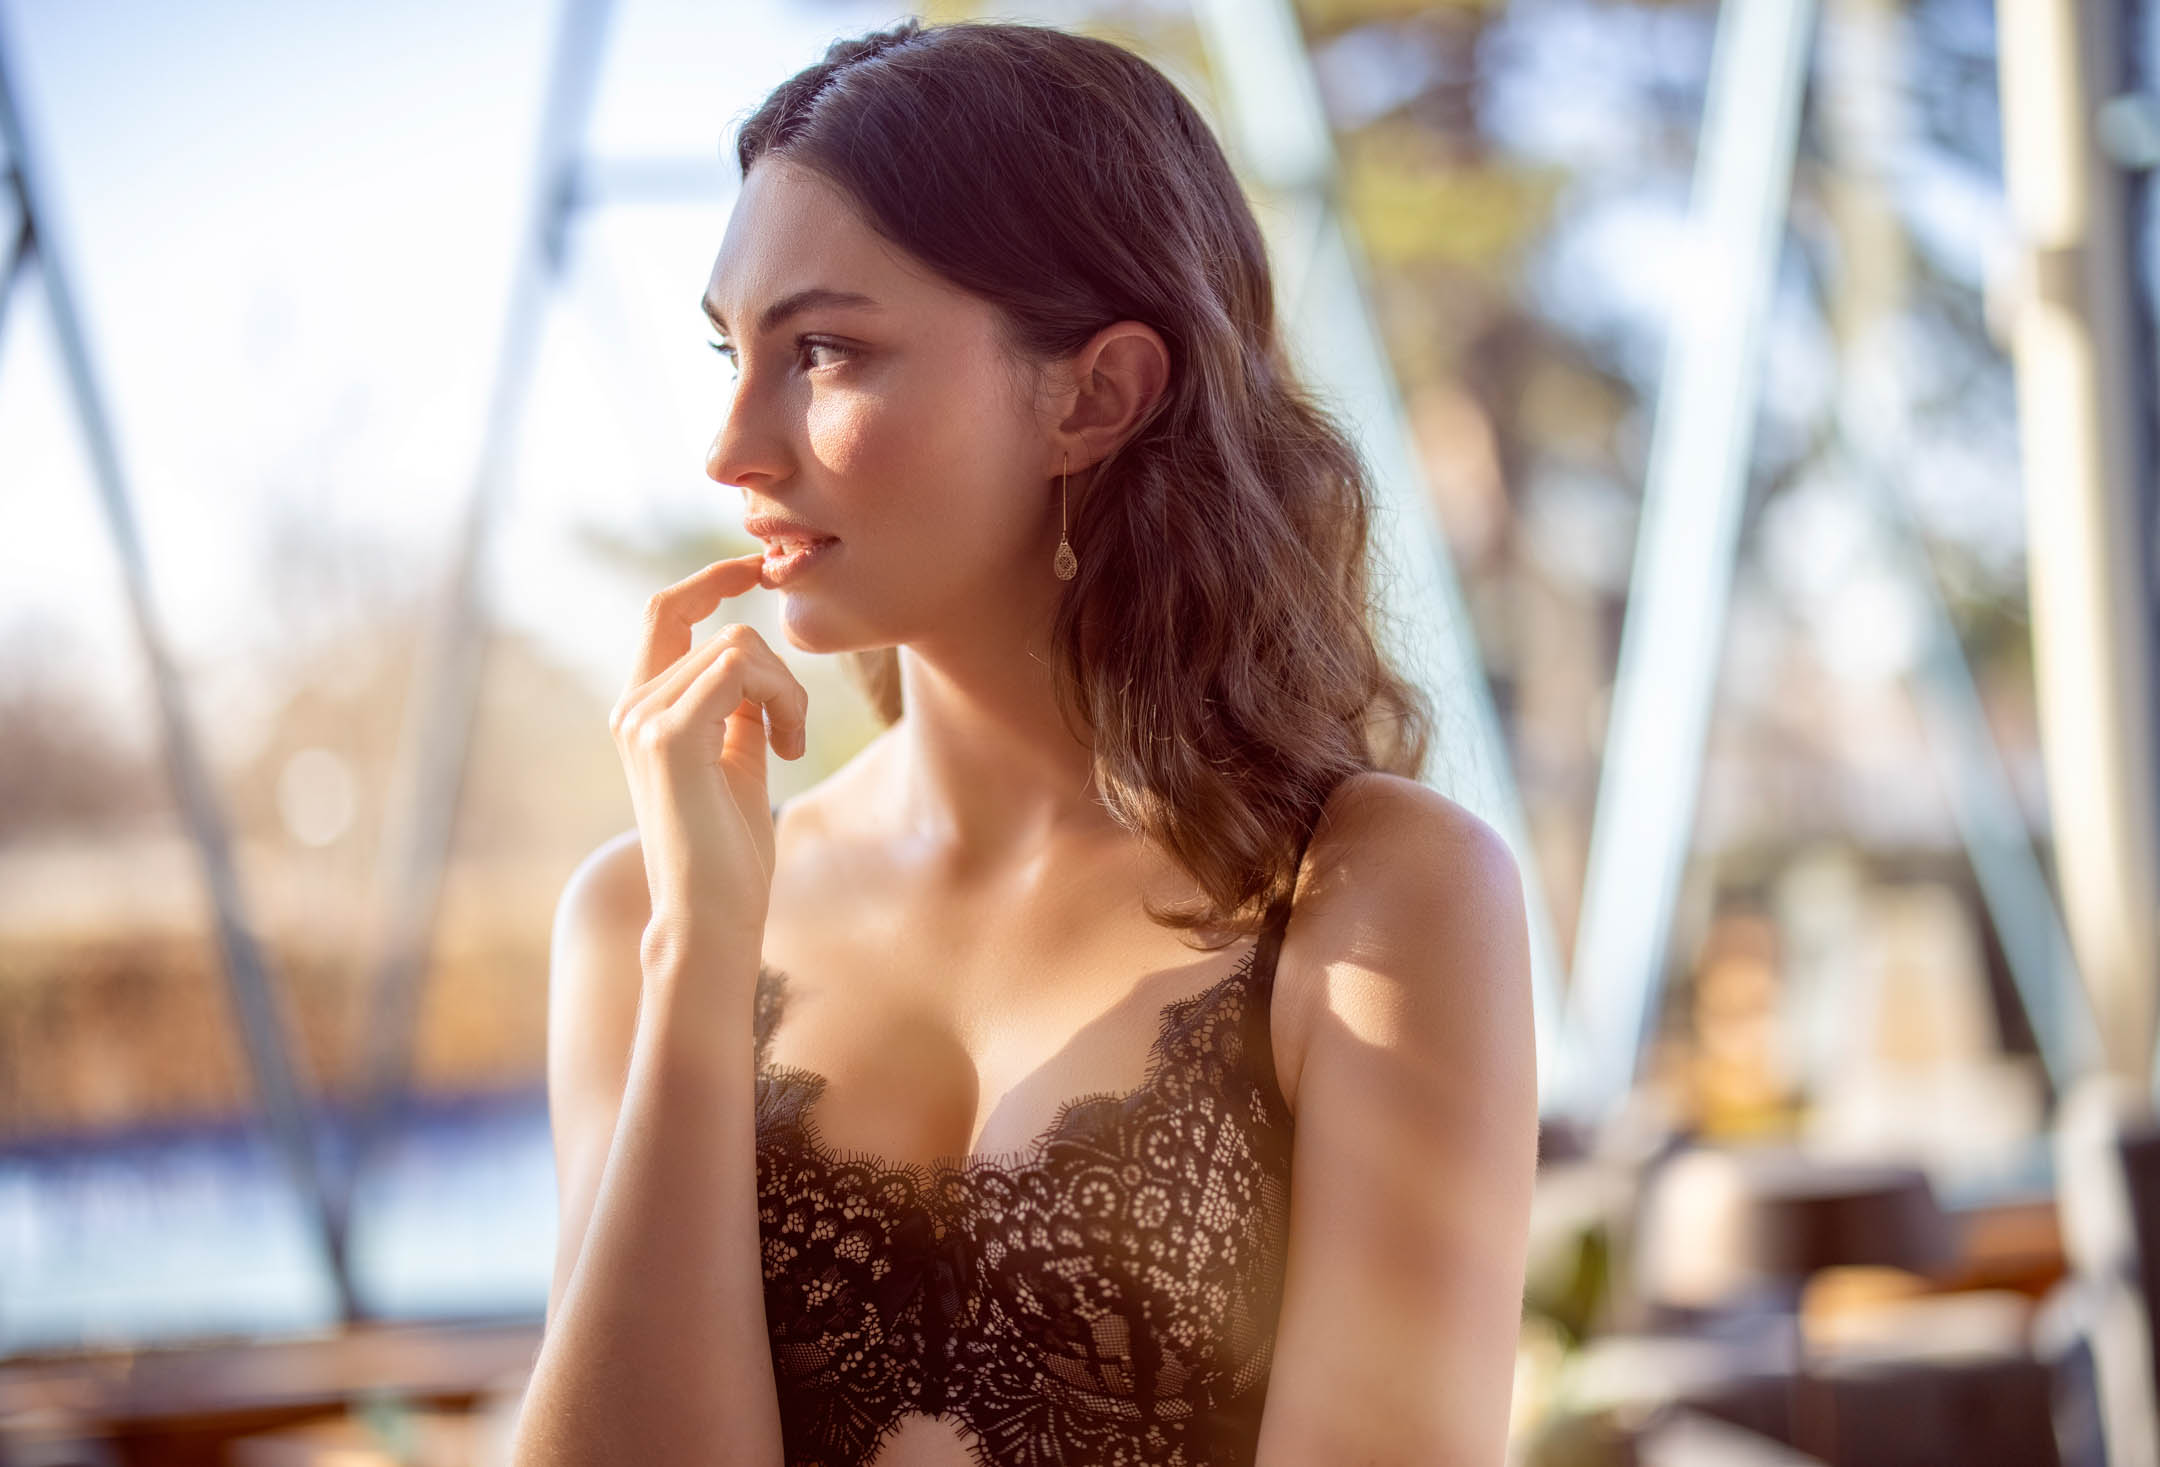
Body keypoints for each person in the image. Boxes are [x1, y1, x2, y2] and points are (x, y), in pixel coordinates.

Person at [511, 16, 1537, 1467]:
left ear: (1094, 394)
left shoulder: (1381, 899)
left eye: (821, 351)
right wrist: (699, 960)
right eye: (730, 352)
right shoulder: (639, 918)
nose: (732, 445)